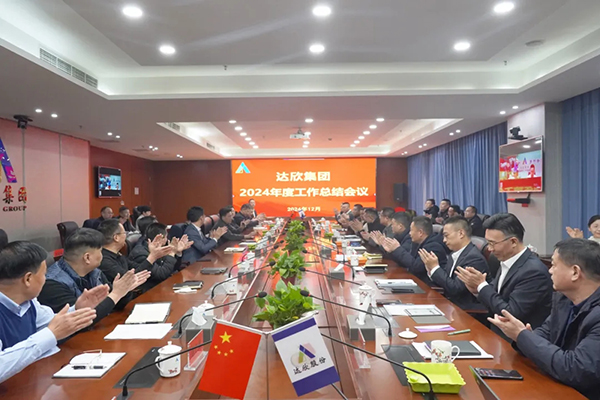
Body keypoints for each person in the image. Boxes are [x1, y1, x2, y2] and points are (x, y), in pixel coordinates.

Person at [488, 239, 600, 399]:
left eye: (554, 265)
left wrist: (522, 336)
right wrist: (524, 337)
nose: (550, 271)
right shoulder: (564, 300)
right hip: (556, 385)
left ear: (575, 272)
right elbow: (545, 333)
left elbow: (574, 369)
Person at [0, 241, 97, 383]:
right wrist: (50, 335)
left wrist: (77, 309)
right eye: (44, 274)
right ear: (28, 279)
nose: (45, 279)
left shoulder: (29, 301)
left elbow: (52, 323)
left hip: (28, 380)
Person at [455, 213, 553, 340]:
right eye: (487, 242)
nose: (489, 249)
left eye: (492, 243)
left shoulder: (533, 272)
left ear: (513, 242)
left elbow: (510, 313)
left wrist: (482, 286)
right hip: (496, 334)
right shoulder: (506, 259)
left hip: (516, 343)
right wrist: (476, 290)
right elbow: (497, 295)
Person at [38, 229, 150, 323]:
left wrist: (124, 291)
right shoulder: (52, 284)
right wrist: (116, 294)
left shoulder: (94, 272)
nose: (102, 255)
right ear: (87, 258)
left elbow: (115, 304)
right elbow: (82, 321)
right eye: (100, 251)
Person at [419, 216, 489, 310]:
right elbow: (446, 280)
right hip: (450, 305)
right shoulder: (454, 253)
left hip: (465, 310)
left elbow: (455, 289)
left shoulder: (474, 258)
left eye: (446, 235)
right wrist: (431, 269)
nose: (444, 240)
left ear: (461, 233)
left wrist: (435, 268)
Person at [97, 219, 172, 285]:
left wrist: (154, 255)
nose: (126, 236)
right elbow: (130, 280)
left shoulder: (118, 255)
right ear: (116, 237)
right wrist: (152, 257)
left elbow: (138, 269)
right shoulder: (104, 260)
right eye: (124, 233)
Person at [382, 216, 447, 283]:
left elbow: (416, 267)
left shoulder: (433, 247)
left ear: (420, 232)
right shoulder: (417, 244)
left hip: (427, 285)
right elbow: (406, 263)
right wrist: (393, 250)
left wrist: (398, 249)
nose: (409, 233)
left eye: (411, 230)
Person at [129, 223, 192, 291]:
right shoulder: (141, 254)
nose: (167, 239)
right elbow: (161, 274)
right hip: (149, 291)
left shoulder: (158, 247)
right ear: (160, 238)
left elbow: (173, 268)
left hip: (162, 286)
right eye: (166, 237)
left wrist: (177, 252)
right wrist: (172, 252)